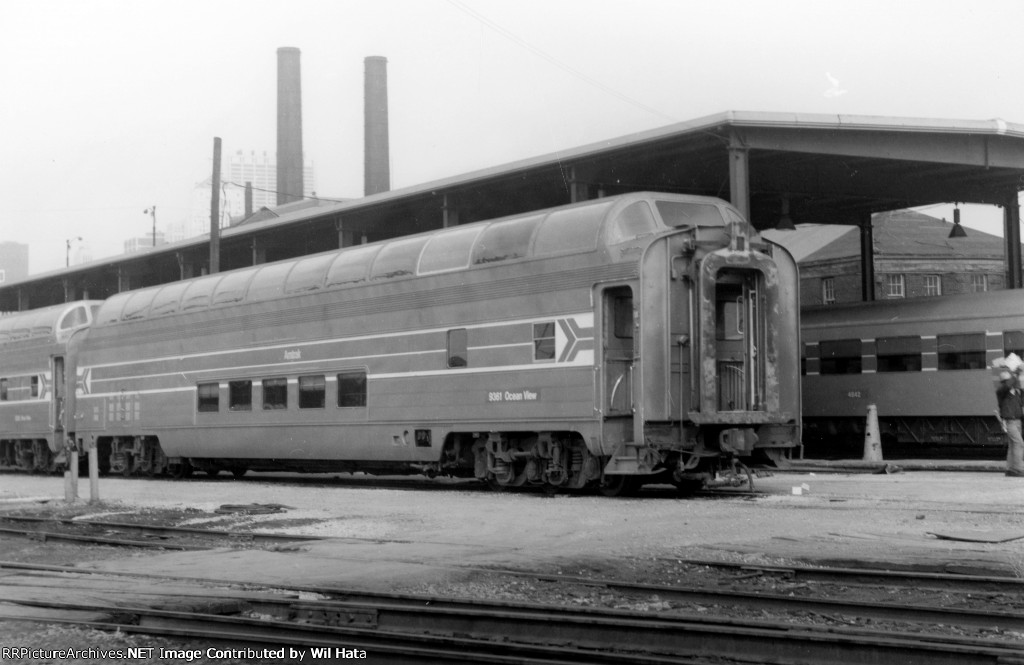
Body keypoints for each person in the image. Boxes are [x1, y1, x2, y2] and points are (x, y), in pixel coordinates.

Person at [995, 370, 1024, 477]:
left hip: (1017, 421)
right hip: (1010, 422)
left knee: (1012, 445)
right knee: (1019, 443)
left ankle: (1010, 469)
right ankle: (1018, 468)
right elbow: (1008, 386)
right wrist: (1016, 373)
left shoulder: (1017, 393)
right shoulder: (1001, 391)